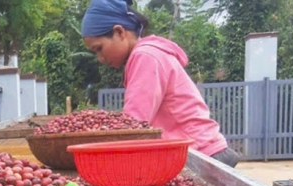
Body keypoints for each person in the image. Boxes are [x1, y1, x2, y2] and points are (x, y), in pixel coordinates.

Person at [81, 0, 241, 168]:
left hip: (201, 154)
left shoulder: (145, 57)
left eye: (99, 48)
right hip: (200, 150)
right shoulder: (148, 54)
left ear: (120, 32)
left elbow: (133, 124)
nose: (100, 58)